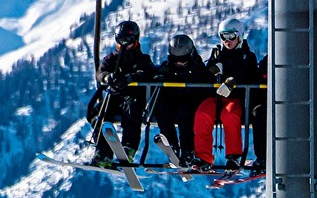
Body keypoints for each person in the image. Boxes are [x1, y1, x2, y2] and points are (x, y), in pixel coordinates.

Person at [195, 17, 260, 171]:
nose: (227, 40)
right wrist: (212, 70)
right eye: (223, 36)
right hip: (216, 97)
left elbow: (248, 73)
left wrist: (233, 80)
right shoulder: (217, 54)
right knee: (202, 113)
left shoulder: (247, 56)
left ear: (239, 36)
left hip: (235, 98)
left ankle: (233, 157)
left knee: (230, 115)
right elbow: (205, 75)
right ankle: (203, 157)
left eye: (231, 36)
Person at [90, 20, 155, 167]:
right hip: (115, 95)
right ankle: (103, 150)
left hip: (134, 96)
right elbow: (100, 72)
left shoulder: (142, 59)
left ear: (136, 41)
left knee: (131, 110)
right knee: (98, 113)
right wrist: (107, 77)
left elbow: (147, 72)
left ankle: (129, 147)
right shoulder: (112, 59)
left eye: (128, 41)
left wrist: (130, 78)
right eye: (121, 41)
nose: (124, 45)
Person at [153, 34, 207, 166]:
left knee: (185, 114)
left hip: (191, 101)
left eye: (184, 60)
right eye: (177, 60)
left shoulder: (198, 68)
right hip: (173, 100)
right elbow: (158, 74)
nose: (180, 63)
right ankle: (171, 143)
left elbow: (205, 82)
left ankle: (188, 150)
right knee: (162, 109)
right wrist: (158, 78)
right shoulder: (168, 67)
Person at [248, 54, 268, 171]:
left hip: (269, 105)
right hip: (263, 105)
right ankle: (262, 157)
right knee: (260, 117)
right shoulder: (265, 65)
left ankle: (263, 157)